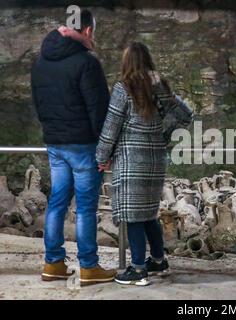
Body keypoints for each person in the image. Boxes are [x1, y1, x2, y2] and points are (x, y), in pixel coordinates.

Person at [31, 9, 117, 286]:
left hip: (55, 143)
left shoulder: (41, 62)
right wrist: (106, 150)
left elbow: (38, 104)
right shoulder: (86, 63)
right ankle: (89, 267)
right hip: (83, 146)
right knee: (86, 208)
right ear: (88, 31)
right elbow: (100, 111)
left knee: (56, 203)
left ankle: (53, 263)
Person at [96, 42, 173, 286]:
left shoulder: (124, 88)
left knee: (133, 216)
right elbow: (183, 114)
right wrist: (164, 136)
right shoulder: (161, 86)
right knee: (149, 213)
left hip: (131, 159)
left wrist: (101, 157)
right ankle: (159, 261)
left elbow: (111, 126)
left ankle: (138, 269)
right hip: (156, 159)